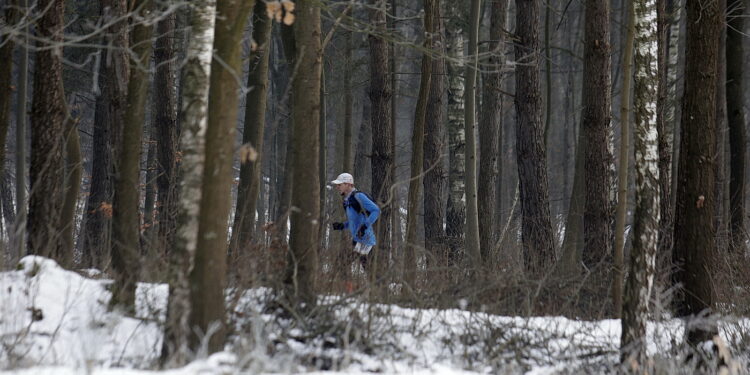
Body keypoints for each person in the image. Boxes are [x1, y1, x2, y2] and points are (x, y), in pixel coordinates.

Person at [330, 172, 380, 270]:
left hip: (366, 241)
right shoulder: (347, 201)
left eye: (340, 185)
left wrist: (364, 227)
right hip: (358, 240)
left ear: (348, 184)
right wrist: (342, 225)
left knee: (340, 265)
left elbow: (376, 210)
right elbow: (355, 221)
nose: (337, 187)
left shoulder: (359, 196)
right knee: (341, 266)